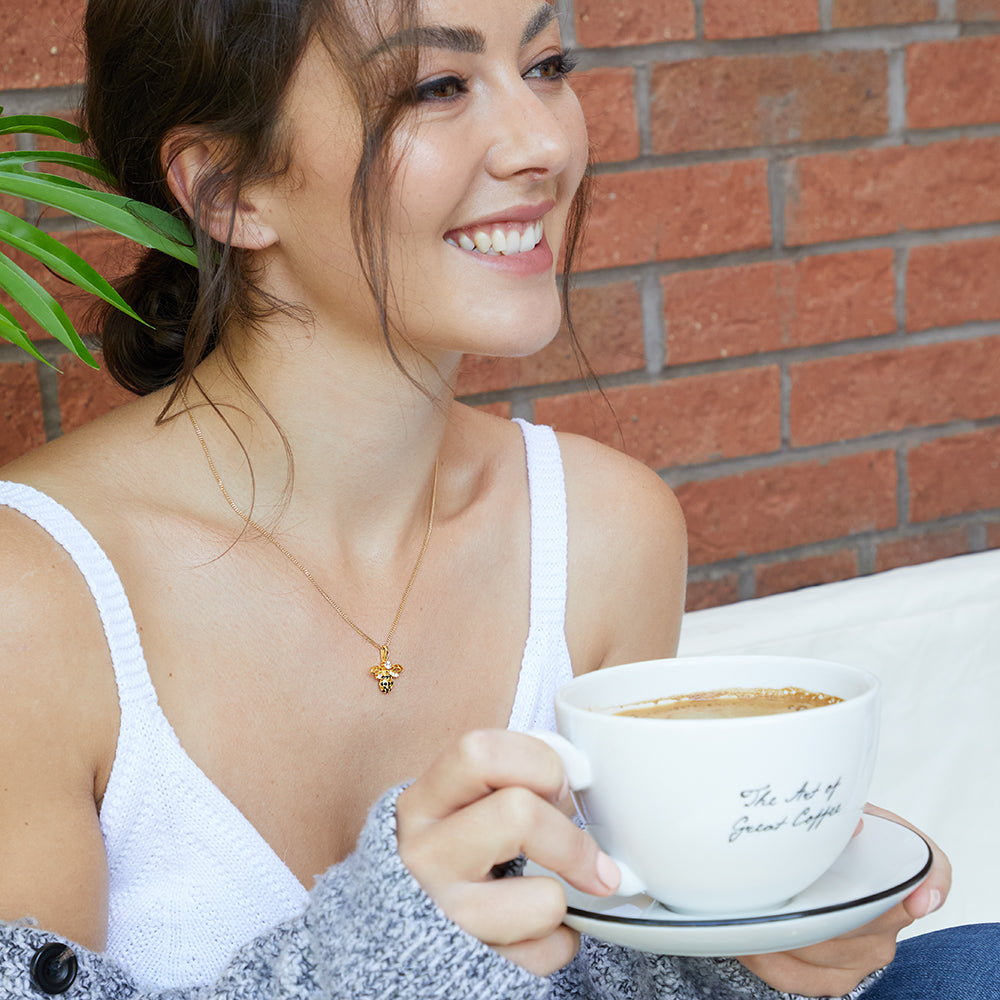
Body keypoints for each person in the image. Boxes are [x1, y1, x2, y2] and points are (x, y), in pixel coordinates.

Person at [0, 0, 975, 996]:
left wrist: (752, 951)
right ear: (228, 187)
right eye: (438, 86)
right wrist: (377, 962)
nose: (543, 143)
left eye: (548, 67)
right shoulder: (34, 599)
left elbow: (609, 961)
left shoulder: (603, 532)